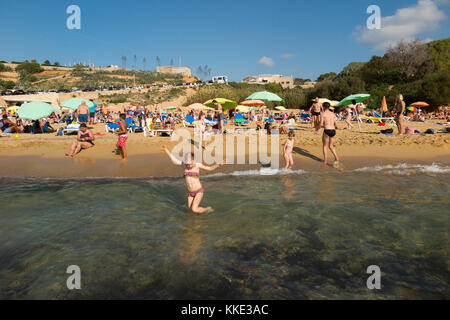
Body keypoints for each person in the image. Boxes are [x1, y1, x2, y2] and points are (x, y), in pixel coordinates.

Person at [162, 145, 225, 214]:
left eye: (191, 163)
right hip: (190, 193)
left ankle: (207, 209)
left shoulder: (197, 165)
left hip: (198, 191)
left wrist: (219, 165)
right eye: (187, 164)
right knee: (190, 210)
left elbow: (209, 168)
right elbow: (174, 160)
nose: (189, 165)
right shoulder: (184, 165)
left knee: (194, 209)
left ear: (194, 160)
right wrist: (166, 150)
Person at [320, 102, 339, 167]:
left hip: (327, 130)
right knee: (331, 146)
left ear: (324, 107)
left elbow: (321, 124)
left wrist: (317, 129)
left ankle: (325, 160)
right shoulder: (332, 113)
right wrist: (335, 126)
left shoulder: (323, 114)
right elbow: (336, 124)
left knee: (324, 146)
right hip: (333, 130)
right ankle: (336, 157)